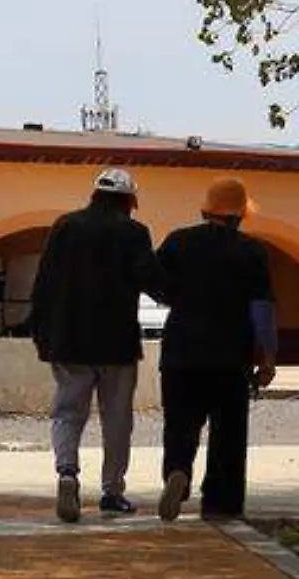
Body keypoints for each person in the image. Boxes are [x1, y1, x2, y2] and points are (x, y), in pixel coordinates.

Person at [27, 167, 167, 522]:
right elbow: (150, 279)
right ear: (129, 201)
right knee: (117, 419)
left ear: (95, 194)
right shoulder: (133, 232)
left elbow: (43, 283)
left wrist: (41, 334)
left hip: (68, 340)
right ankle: (112, 492)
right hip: (115, 342)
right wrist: (184, 296)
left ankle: (67, 473)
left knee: (67, 413)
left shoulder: (65, 226)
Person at [155, 177, 279, 522]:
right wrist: (268, 358)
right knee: (228, 433)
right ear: (240, 217)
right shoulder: (252, 251)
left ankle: (178, 471)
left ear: (205, 211)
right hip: (230, 356)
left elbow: (156, 283)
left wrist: (178, 296)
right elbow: (262, 310)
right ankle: (221, 503)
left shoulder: (178, 242)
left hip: (181, 351)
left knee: (180, 424)